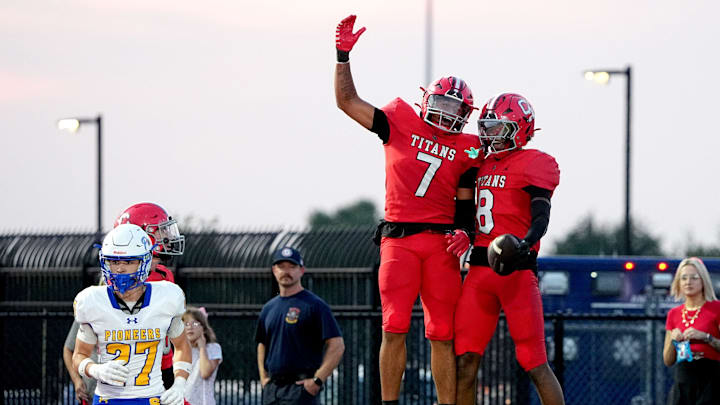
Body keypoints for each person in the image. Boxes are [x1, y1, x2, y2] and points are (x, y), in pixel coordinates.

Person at [334, 14, 481, 405]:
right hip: (398, 238)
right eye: (443, 102)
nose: (447, 111)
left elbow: (468, 198)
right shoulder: (399, 120)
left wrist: (468, 230)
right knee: (394, 325)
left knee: (441, 332)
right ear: (426, 99)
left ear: (465, 112)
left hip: (440, 244)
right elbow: (347, 102)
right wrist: (342, 56)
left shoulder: (468, 148)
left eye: (455, 106)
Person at [454, 93, 565, 405]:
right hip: (477, 272)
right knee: (464, 362)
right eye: (488, 127)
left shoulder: (535, 163)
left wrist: (525, 243)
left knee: (535, 363)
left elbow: (541, 215)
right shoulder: (479, 162)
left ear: (519, 128)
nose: (491, 135)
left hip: (516, 271)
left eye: (499, 128)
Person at [72, 223, 192, 405]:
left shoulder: (166, 297)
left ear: (144, 262)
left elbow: (182, 346)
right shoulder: (92, 301)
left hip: (151, 398)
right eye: (114, 261)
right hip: (107, 399)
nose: (119, 269)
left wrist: (180, 384)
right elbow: (79, 355)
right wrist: (95, 369)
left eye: (128, 262)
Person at [255, 247, 345, 405]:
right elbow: (262, 344)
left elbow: (337, 345)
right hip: (272, 390)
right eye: (281, 266)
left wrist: (317, 380)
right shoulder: (268, 308)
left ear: (302, 270)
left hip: (301, 389)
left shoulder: (314, 305)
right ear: (274, 270)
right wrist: (264, 379)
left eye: (292, 266)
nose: (286, 271)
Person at [115, 202, 186, 389]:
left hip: (163, 364)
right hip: (130, 369)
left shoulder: (165, 275)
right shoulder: (116, 278)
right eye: (160, 231)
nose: (166, 237)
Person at [663, 257, 720, 404]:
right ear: (678, 283)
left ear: (703, 281)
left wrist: (706, 337)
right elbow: (668, 360)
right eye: (684, 278)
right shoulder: (674, 314)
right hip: (684, 378)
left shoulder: (716, 309)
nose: (688, 282)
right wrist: (673, 341)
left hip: (711, 378)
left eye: (694, 277)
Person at [182, 306, 222, 405]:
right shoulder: (179, 350)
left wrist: (202, 347)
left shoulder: (213, 348)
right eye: (186, 324)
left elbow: (205, 373)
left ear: (203, 328)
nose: (190, 327)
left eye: (195, 323)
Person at [63, 320, 97, 405]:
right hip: (90, 395)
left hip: (122, 394)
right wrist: (76, 380)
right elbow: (67, 350)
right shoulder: (86, 312)